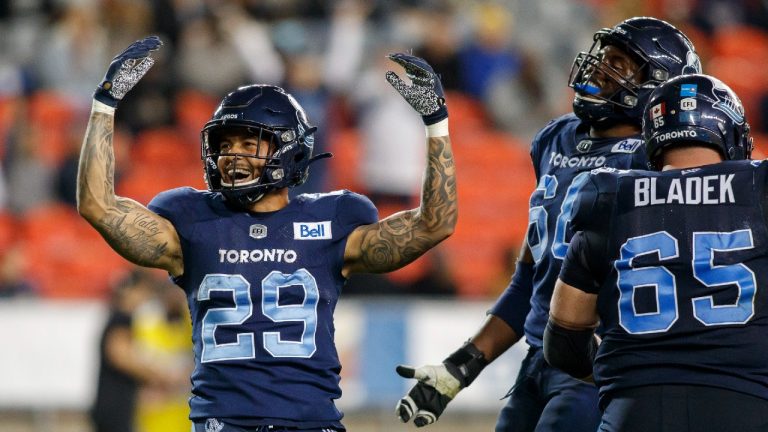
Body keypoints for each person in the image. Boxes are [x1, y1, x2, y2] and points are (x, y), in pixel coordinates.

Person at [76, 36, 457, 432]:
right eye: (224, 145)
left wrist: (436, 124)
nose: (232, 155)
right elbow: (98, 207)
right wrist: (105, 106)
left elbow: (435, 223)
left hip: (311, 424)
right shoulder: (192, 219)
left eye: (247, 142)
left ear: (286, 148)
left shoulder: (335, 220)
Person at [396, 17, 701, 431]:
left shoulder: (657, 157)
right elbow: (530, 281)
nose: (599, 69)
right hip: (538, 360)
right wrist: (461, 367)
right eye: (603, 58)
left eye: (619, 64)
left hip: (601, 364)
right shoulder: (556, 139)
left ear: (658, 84)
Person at [543, 73, 768, 432]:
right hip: (746, 406)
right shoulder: (759, 186)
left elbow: (564, 342)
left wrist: (629, 368)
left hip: (634, 411)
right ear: (731, 133)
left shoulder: (607, 194)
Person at [90, 269, 185, 432]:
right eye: (145, 291)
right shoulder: (122, 318)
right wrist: (161, 376)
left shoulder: (122, 317)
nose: (146, 298)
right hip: (115, 405)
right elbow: (121, 357)